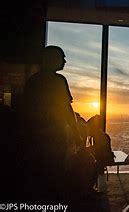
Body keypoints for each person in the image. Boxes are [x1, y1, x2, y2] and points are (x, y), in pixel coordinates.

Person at [22, 45, 82, 201]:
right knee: (56, 170)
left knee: (40, 172)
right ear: (52, 59)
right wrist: (76, 133)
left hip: (35, 134)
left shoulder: (33, 81)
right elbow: (66, 108)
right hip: (55, 132)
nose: (65, 61)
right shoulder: (58, 80)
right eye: (62, 57)